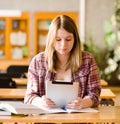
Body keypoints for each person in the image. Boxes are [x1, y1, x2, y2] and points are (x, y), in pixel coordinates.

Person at [24, 15, 101, 110]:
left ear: (75, 39)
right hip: (45, 120)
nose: (63, 45)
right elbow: (29, 97)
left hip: (78, 120)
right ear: (51, 39)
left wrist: (83, 103)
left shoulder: (87, 60)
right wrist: (40, 102)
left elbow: (95, 94)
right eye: (58, 39)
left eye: (68, 39)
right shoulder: (38, 61)